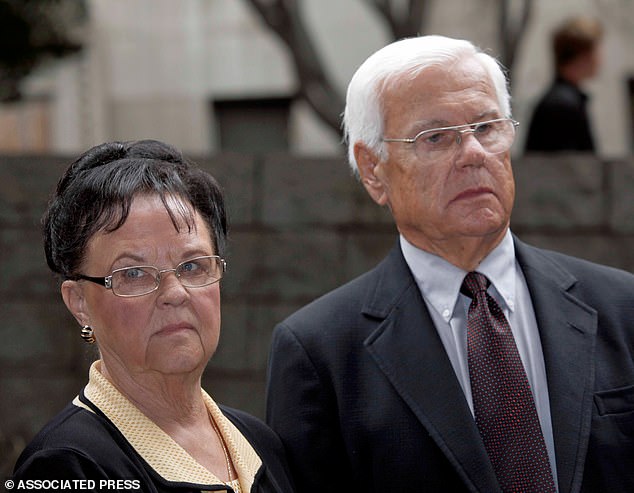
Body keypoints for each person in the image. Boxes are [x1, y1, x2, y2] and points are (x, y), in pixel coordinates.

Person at [265, 35, 634, 492]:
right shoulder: (321, 353)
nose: (474, 154)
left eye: (486, 127)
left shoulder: (622, 307)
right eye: (435, 137)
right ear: (374, 169)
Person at [13, 139, 295, 493]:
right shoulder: (65, 466)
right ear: (79, 302)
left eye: (192, 266)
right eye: (133, 273)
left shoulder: (260, 443)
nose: (175, 293)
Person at [524, 15, 603, 153]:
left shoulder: (563, 99)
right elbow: (569, 166)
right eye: (596, 51)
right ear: (583, 55)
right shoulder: (563, 104)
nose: (600, 59)